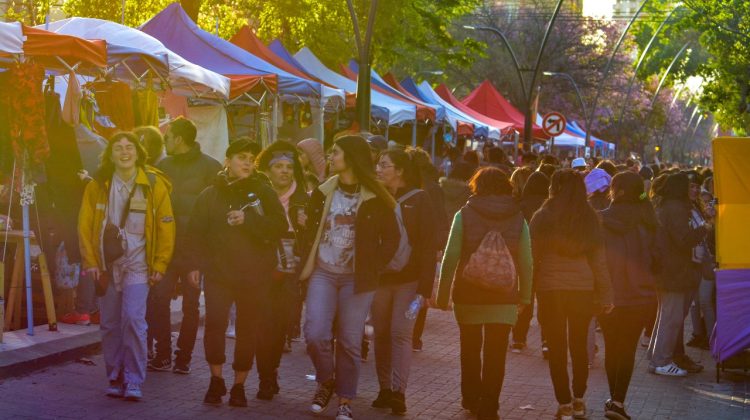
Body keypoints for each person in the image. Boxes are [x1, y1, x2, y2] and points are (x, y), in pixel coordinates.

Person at [299, 134, 400, 420]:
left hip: (357, 278)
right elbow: (309, 231)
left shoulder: (376, 196)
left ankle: (345, 399)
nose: (331, 157)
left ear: (351, 158)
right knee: (315, 333)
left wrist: (374, 266)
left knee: (349, 340)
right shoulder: (323, 191)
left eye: (336, 152)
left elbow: (392, 238)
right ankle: (326, 379)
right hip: (323, 272)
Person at [186, 140, 288, 407]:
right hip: (219, 273)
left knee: (247, 330)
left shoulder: (263, 192)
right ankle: (216, 380)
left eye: (251, 158)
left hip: (255, 275)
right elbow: (195, 232)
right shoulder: (211, 194)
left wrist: (249, 221)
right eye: (241, 157)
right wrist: (195, 265)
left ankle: (239, 385)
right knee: (215, 325)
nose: (247, 162)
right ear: (228, 160)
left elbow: (279, 226)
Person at [78, 131, 175, 400]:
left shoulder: (154, 184)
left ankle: (133, 379)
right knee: (109, 323)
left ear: (138, 152)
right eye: (118, 147)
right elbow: (84, 226)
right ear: (110, 154)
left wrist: (161, 262)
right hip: (108, 265)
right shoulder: (97, 185)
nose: (124, 152)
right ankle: (115, 374)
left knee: (133, 319)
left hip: (139, 264)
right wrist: (91, 261)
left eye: (129, 147)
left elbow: (167, 226)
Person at [435, 167, 532, 420]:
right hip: (504, 296)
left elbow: (451, 256)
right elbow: (526, 260)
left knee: (469, 348)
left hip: (469, 294)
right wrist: (524, 296)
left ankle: (471, 398)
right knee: (496, 354)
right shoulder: (519, 218)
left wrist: (443, 295)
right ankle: (490, 406)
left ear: (477, 186)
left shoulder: (464, 214)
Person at [530, 169, 613, 420]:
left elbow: (532, 258)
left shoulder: (543, 216)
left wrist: (526, 293)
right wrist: (606, 294)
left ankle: (564, 403)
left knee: (556, 346)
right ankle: (579, 399)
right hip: (582, 289)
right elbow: (599, 261)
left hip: (550, 288)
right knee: (579, 346)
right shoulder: (590, 218)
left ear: (554, 187)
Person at [146, 117, 222, 374]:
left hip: (194, 250)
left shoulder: (211, 167)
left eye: (167, 137)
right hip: (166, 246)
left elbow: (216, 212)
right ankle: (164, 352)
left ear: (178, 139)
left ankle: (183, 356)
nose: (164, 141)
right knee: (159, 299)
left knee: (191, 304)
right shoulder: (163, 165)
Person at [371, 149, 437, 415]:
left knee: (400, 333)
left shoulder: (421, 200)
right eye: (377, 164)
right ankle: (384, 388)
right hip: (380, 279)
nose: (378, 169)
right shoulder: (375, 198)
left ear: (399, 170)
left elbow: (427, 245)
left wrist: (425, 288)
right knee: (381, 335)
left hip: (409, 280)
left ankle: (399, 392)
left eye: (384, 165)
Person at [599, 172, 658, 420]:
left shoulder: (600, 220)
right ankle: (618, 401)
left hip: (608, 295)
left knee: (612, 348)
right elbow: (658, 260)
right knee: (628, 349)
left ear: (618, 191)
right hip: (641, 297)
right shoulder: (649, 220)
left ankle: (614, 399)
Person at [254, 140, 310, 400]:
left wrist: (305, 226)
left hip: (291, 270)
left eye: (289, 166)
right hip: (261, 266)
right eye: (278, 166)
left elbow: (313, 235)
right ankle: (265, 377)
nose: (285, 171)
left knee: (280, 326)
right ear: (267, 170)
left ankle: (271, 370)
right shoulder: (257, 195)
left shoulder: (306, 198)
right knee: (261, 324)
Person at [647, 172, 708, 377]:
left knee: (667, 316)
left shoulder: (668, 206)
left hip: (672, 270)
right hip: (674, 270)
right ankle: (661, 361)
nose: (695, 190)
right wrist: (704, 228)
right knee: (671, 318)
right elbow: (683, 239)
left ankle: (656, 357)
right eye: (690, 186)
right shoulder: (675, 209)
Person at [511, 171, 549, 356]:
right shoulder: (550, 207)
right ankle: (546, 341)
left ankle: (519, 338)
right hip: (545, 260)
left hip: (523, 257)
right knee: (545, 301)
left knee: (524, 297)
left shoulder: (519, 206)